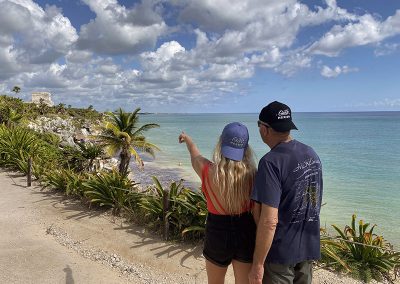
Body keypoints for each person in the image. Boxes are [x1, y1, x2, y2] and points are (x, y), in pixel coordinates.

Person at [248, 101, 323, 284]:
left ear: (265, 129)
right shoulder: (311, 154)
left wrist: (257, 264)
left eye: (259, 125)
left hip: (280, 254)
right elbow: (314, 200)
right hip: (307, 246)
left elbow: (269, 220)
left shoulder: (271, 162)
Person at [179, 122, 257, 284]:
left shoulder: (207, 170)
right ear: (246, 148)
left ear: (221, 144)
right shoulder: (253, 175)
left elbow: (195, 154)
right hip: (246, 230)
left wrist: (187, 139)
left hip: (217, 232)